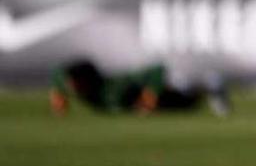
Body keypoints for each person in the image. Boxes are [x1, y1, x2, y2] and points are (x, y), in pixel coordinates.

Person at [50, 59, 230, 117]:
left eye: (75, 83)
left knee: (187, 101)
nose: (71, 87)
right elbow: (58, 74)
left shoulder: (116, 88)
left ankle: (211, 85)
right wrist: (57, 93)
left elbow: (157, 70)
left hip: (168, 93)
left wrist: (150, 94)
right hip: (151, 108)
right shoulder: (71, 86)